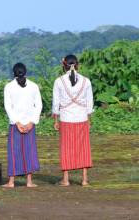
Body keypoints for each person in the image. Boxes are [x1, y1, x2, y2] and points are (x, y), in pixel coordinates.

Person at [52, 55, 94, 187]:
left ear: (63, 65)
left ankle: (66, 179)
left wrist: (56, 120)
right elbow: (89, 102)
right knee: (83, 147)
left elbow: (56, 103)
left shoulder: (59, 81)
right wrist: (89, 119)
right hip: (82, 118)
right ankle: (85, 179)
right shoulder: (86, 81)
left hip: (66, 118)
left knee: (66, 148)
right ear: (77, 65)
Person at [2, 63, 42, 188]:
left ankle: (11, 182)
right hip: (29, 123)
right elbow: (39, 106)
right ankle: (29, 181)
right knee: (29, 151)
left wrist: (17, 123)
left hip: (16, 124)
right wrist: (31, 122)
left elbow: (8, 107)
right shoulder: (34, 86)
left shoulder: (9, 87)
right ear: (25, 72)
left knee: (14, 152)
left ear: (14, 73)